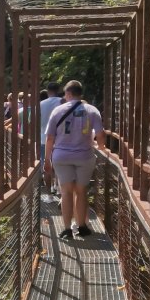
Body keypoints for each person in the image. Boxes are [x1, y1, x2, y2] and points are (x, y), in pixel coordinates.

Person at [43, 80, 105, 239]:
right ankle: (82, 226)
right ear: (80, 93)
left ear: (68, 93)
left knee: (66, 192)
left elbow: (50, 138)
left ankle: (66, 229)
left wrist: (47, 160)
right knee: (81, 191)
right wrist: (102, 149)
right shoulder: (92, 110)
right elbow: (100, 134)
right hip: (84, 156)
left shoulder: (58, 111)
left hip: (61, 156)